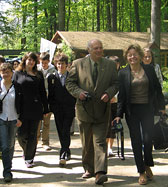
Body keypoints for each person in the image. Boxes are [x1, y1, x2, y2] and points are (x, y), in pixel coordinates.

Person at [66, 39, 118, 185]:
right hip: (84, 110)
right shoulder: (78, 64)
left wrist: (108, 93)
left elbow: (116, 83)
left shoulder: (110, 65)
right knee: (87, 142)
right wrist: (79, 93)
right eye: (95, 48)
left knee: (100, 142)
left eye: (100, 48)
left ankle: (100, 172)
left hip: (102, 110)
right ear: (88, 50)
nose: (99, 50)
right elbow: (70, 83)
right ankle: (89, 168)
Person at [114, 44, 165, 185]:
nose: (132, 57)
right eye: (129, 55)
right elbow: (122, 96)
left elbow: (157, 89)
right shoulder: (123, 73)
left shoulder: (149, 69)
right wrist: (118, 114)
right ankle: (141, 171)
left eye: (135, 54)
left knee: (148, 140)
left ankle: (148, 163)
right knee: (136, 141)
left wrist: (162, 107)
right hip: (132, 112)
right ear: (126, 57)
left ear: (140, 56)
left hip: (147, 109)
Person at [13, 52, 49, 168]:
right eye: (29, 59)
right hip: (22, 109)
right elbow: (12, 90)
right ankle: (26, 150)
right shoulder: (17, 74)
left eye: (33, 60)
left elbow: (42, 92)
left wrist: (46, 108)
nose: (31, 62)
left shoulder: (38, 74)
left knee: (33, 134)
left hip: (35, 108)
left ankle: (29, 157)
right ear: (25, 60)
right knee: (21, 134)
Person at [0, 63, 23, 182]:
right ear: (0, 73)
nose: (5, 74)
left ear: (12, 73)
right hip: (1, 119)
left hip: (14, 119)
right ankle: (7, 172)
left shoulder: (18, 86)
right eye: (3, 72)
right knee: (4, 146)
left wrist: (21, 118)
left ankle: (8, 165)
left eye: (7, 72)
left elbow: (22, 103)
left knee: (10, 145)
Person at [47, 53, 76, 166]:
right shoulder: (52, 77)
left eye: (63, 64)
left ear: (67, 65)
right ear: (55, 64)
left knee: (66, 129)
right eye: (58, 64)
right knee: (60, 130)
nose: (60, 66)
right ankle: (66, 150)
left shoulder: (72, 77)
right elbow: (51, 95)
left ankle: (63, 152)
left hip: (69, 108)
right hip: (57, 109)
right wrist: (51, 107)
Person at [36, 52, 57, 151]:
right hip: (39, 99)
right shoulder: (36, 69)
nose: (43, 65)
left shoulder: (53, 70)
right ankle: (35, 141)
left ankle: (45, 142)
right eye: (42, 62)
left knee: (46, 122)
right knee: (37, 122)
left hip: (48, 100)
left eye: (45, 63)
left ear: (49, 61)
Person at [106, 56, 121, 157]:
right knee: (105, 126)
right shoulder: (104, 75)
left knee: (113, 126)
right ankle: (105, 146)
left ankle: (110, 148)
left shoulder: (121, 75)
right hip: (106, 103)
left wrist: (116, 97)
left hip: (116, 104)